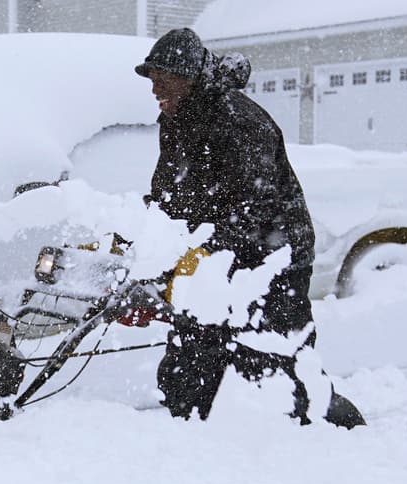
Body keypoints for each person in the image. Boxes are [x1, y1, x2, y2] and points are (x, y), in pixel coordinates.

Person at [134, 28, 365, 428]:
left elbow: (253, 206)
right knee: (188, 366)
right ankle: (186, 435)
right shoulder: (175, 120)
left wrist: (203, 250)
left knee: (278, 369)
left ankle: (342, 435)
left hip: (273, 259)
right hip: (215, 259)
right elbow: (169, 193)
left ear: (188, 77)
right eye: (152, 80)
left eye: (163, 79)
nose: (155, 90)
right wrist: (146, 234)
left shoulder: (240, 121)